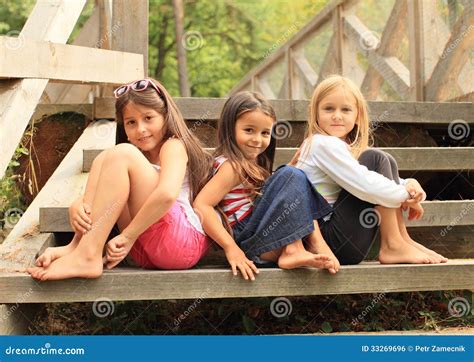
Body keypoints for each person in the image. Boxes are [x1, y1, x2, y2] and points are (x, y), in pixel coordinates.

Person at [28, 78, 213, 280]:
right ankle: (78, 247)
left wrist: (127, 236)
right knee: (104, 158)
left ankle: (87, 256)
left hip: (181, 243)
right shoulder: (135, 158)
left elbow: (167, 195)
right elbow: (105, 195)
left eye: (148, 118)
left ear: (166, 116)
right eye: (131, 122)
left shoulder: (174, 145)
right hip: (144, 249)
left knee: (122, 153)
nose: (140, 129)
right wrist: (79, 204)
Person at [293, 75, 447, 266]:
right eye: (328, 108)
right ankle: (392, 244)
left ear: (357, 116)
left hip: (340, 241)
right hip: (325, 243)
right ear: (315, 112)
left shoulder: (338, 146)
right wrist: (404, 194)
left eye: (346, 109)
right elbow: (365, 185)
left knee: (382, 159)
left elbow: (368, 177)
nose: (337, 115)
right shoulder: (321, 144)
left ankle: (402, 239)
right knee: (374, 158)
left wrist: (408, 185)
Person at [193, 91, 338, 281]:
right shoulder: (232, 167)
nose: (257, 139)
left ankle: (301, 247)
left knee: (292, 174)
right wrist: (231, 249)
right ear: (230, 128)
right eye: (249, 130)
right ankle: (298, 248)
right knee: (291, 174)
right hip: (247, 238)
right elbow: (201, 205)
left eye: (265, 133)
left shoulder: (250, 165)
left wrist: (290, 175)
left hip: (260, 237)